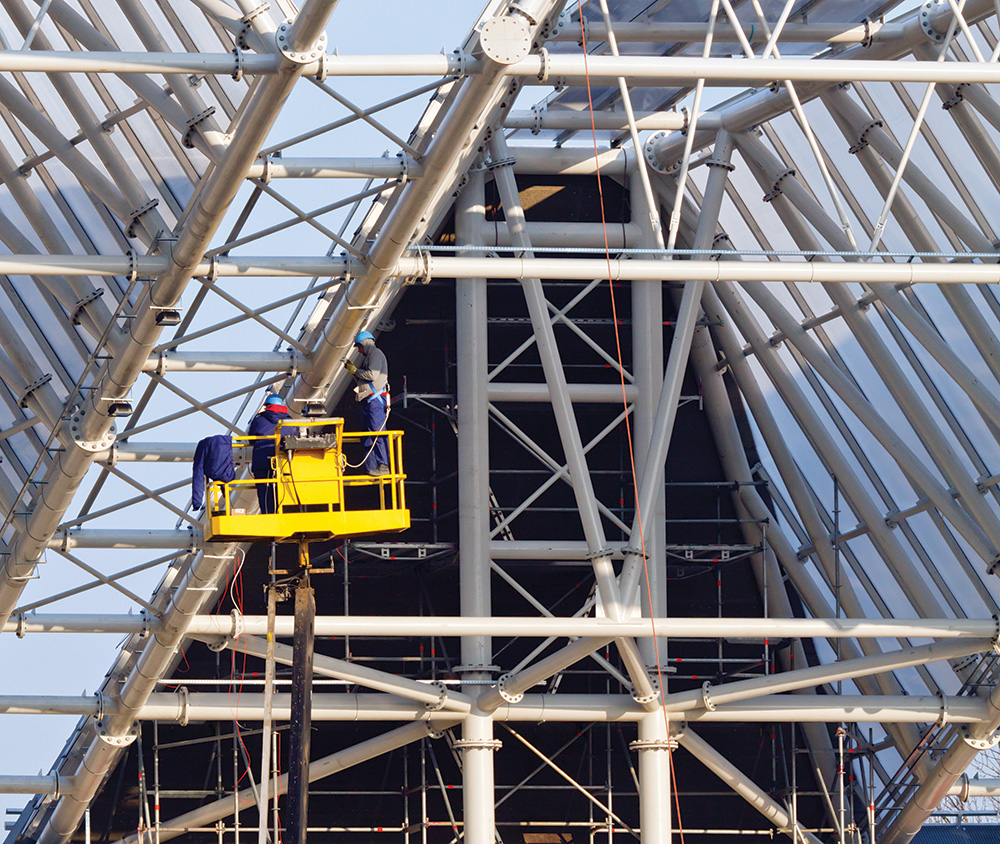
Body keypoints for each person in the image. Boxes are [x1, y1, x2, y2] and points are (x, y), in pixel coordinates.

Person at [344, 330, 390, 475]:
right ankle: (371, 467)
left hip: (375, 401)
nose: (359, 351)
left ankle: (383, 465)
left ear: (365, 344)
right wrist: (353, 371)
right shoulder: (371, 356)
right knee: (368, 435)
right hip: (369, 401)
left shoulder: (375, 354)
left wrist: (356, 371)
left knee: (377, 433)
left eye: (359, 347)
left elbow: (372, 375)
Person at [249, 393, 292, 513]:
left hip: (263, 461)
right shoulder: (291, 421)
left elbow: (251, 439)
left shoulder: (260, 420)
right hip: (284, 462)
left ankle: (269, 514)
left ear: (267, 406)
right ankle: (285, 512)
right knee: (284, 488)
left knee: (265, 491)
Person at [191, 434, 235, 513]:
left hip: (211, 445)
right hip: (223, 444)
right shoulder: (227, 475)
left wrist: (197, 503)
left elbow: (198, 475)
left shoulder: (224, 474)